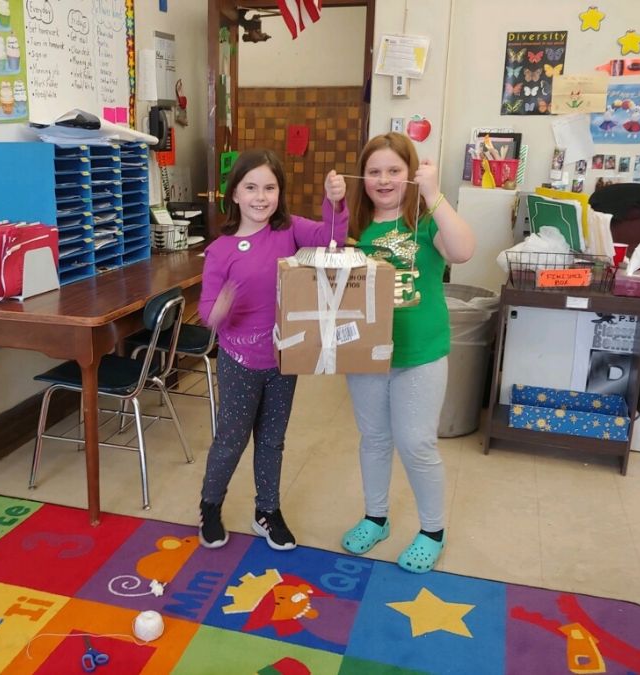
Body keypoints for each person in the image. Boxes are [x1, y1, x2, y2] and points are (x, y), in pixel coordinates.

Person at [198, 148, 347, 551]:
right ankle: (210, 506)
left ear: (280, 193)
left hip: (283, 358)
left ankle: (268, 510)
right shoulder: (221, 250)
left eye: (269, 188)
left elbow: (332, 238)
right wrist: (218, 312)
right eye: (251, 188)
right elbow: (207, 310)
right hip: (239, 361)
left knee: (272, 440)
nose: (260, 197)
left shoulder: (289, 230)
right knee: (231, 440)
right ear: (234, 194)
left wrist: (334, 201)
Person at [342, 132, 475, 573]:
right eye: (374, 172)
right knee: (374, 438)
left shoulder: (427, 221)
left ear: (411, 174)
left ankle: (433, 531)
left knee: (416, 443)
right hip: (366, 354)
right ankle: (375, 517)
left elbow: (464, 250)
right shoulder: (356, 227)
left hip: (420, 352)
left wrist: (434, 196)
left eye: (394, 171)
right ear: (363, 177)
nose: (384, 180)